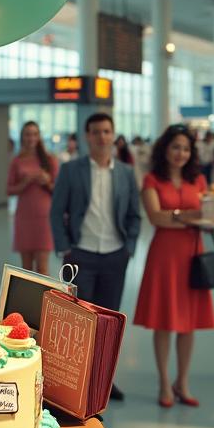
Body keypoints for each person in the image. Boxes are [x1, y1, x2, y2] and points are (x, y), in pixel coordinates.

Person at [134, 126, 214, 408]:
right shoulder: (152, 180)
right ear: (165, 149)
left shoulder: (199, 180)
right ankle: (165, 382)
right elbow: (156, 217)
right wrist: (188, 215)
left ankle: (183, 381)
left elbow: (209, 215)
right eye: (176, 147)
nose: (181, 153)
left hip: (192, 252)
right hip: (164, 256)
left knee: (188, 322)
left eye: (186, 149)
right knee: (164, 320)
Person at [50, 112, 141, 401]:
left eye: (106, 131)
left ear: (113, 135)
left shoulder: (126, 172)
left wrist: (130, 248)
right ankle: (79, 383)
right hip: (80, 256)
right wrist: (65, 247)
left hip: (115, 255)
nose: (102, 137)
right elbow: (56, 211)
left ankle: (104, 383)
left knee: (108, 324)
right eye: (96, 132)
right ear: (87, 136)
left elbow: (134, 215)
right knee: (81, 324)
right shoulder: (71, 170)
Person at [7, 121, 58, 274]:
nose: (31, 138)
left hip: (44, 218)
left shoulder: (49, 160)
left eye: (35, 134)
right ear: (22, 137)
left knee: (42, 269)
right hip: (24, 217)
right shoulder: (17, 161)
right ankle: (29, 298)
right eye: (28, 134)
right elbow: (9, 190)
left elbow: (59, 191)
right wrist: (25, 182)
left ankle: (44, 299)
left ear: (39, 137)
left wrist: (47, 182)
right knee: (27, 270)